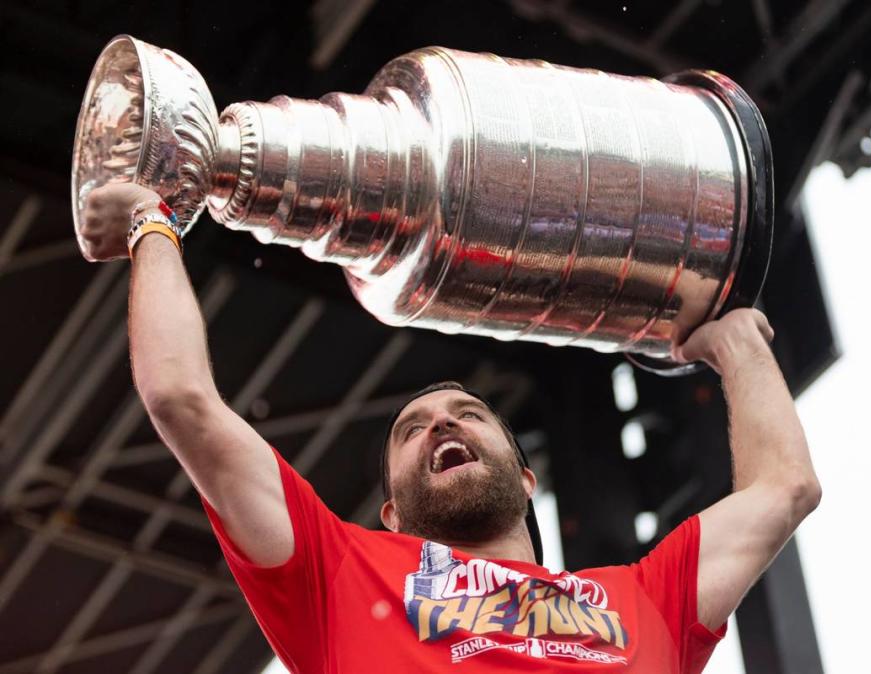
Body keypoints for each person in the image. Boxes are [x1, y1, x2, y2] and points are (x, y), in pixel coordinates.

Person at [79, 182, 821, 674]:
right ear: (392, 514)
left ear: (526, 479)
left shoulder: (647, 599)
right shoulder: (337, 572)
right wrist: (154, 222)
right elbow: (183, 399)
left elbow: (786, 488)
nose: (441, 424)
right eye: (413, 430)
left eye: (469, 415)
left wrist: (737, 345)